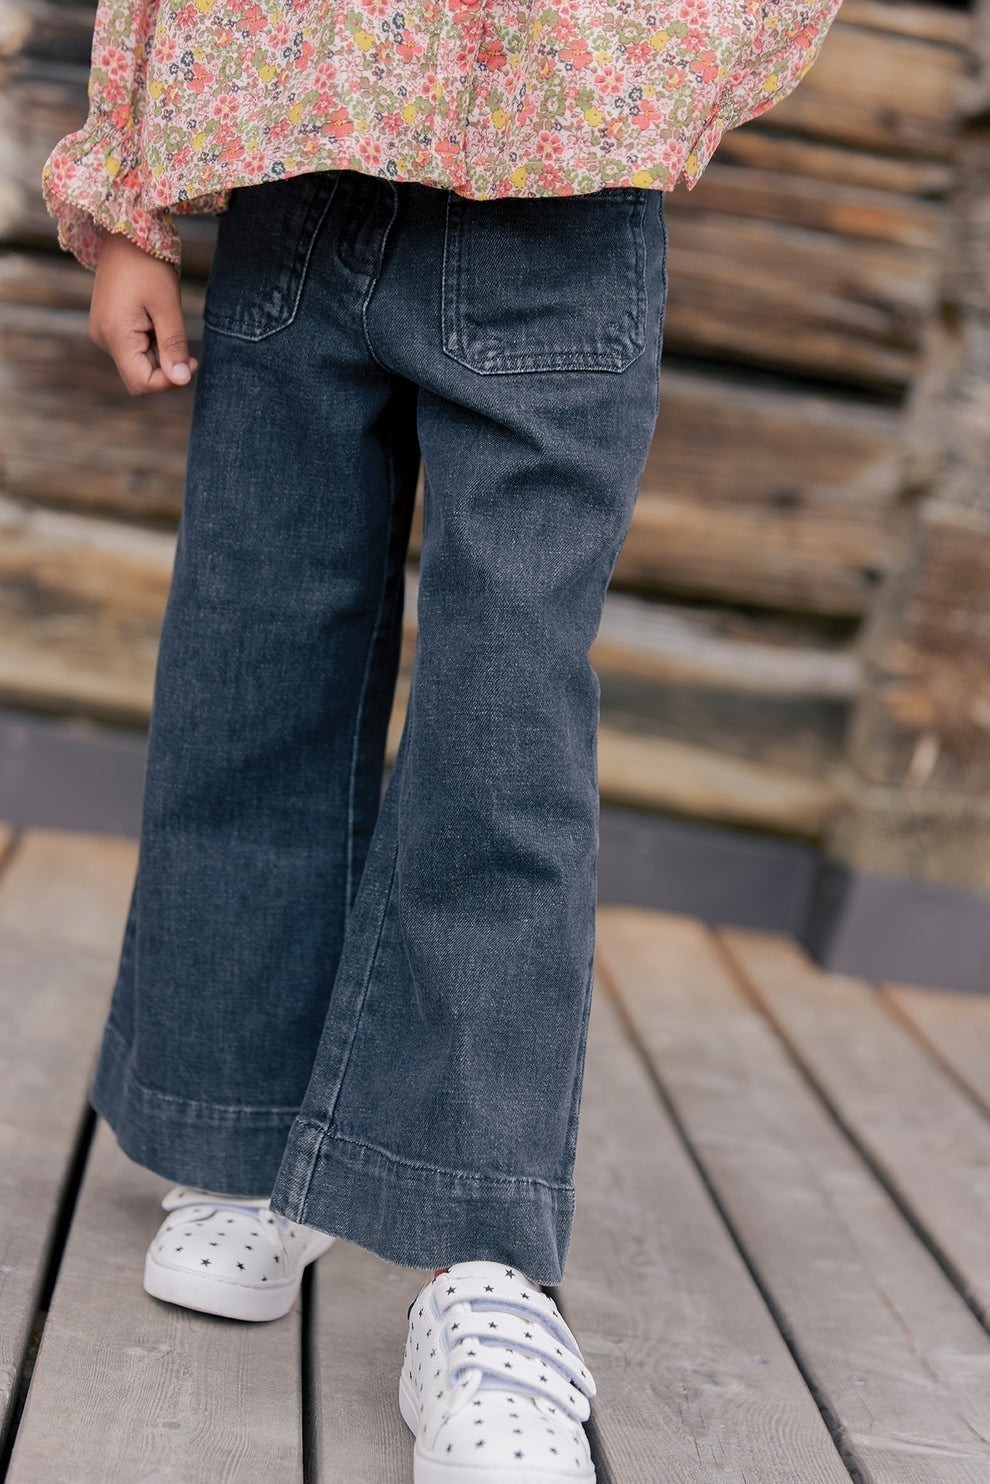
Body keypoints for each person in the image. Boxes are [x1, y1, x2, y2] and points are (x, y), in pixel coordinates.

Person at [41, 0, 842, 1477]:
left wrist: (660, 78)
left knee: (503, 724)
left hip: (559, 186)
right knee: (253, 668)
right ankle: (249, 1137)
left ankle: (480, 1252)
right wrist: (128, 203)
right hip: (292, 155)